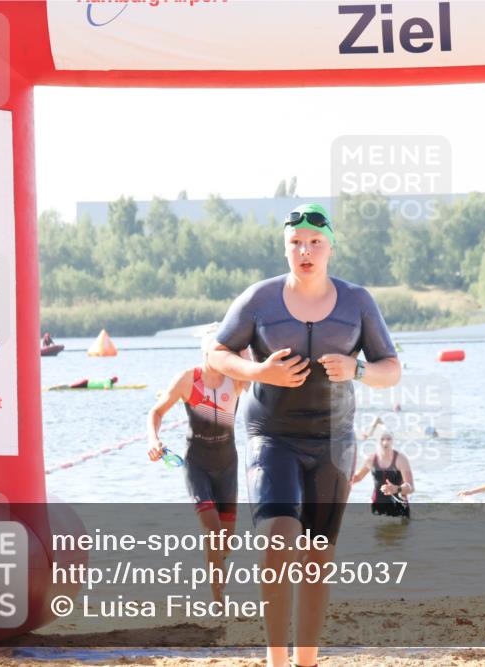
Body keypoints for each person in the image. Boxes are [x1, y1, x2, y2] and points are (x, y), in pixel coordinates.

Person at [207, 203, 402, 667]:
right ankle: (277, 660)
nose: (305, 251)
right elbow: (217, 353)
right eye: (296, 243)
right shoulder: (259, 299)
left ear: (331, 248)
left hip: (333, 440)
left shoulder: (358, 302)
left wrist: (357, 369)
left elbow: (391, 370)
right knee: (278, 539)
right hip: (271, 436)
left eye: (315, 243)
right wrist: (258, 371)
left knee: (316, 557)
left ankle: (307, 661)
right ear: (285, 248)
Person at [146, 324, 247, 602]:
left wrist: (241, 346)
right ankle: (217, 596)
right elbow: (156, 412)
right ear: (203, 353)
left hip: (228, 464)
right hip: (198, 464)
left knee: (226, 542)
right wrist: (153, 441)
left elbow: (253, 370)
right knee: (212, 530)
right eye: (212, 352)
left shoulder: (235, 378)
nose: (217, 359)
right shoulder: (188, 379)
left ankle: (214, 565)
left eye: (222, 352)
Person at [352, 431, 414, 518]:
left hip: (400, 508)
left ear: (393, 441)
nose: (385, 442)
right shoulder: (371, 459)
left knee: (401, 531)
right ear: (377, 441)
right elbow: (358, 477)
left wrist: (397, 489)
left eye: (388, 439)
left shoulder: (401, 459)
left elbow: (410, 487)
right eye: (382, 439)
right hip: (378, 507)